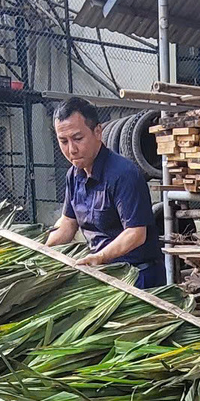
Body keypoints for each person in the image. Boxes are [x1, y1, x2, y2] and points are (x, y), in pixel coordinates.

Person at [44, 97, 165, 288]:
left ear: (98, 132)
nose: (71, 149)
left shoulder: (123, 174)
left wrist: (100, 257)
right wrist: (42, 249)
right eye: (63, 141)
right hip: (103, 274)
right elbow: (68, 223)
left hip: (138, 276)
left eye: (77, 139)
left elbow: (136, 234)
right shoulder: (73, 175)